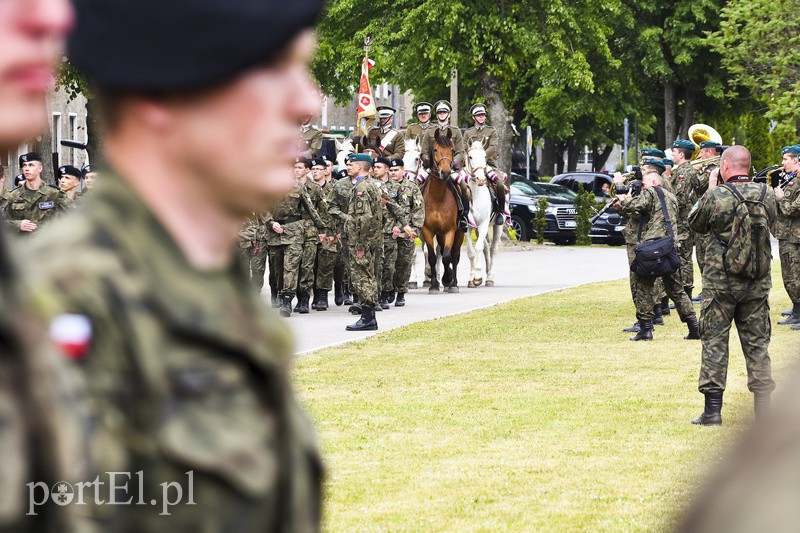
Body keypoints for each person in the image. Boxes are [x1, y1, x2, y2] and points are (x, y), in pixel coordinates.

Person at [26, 0, 326, 529]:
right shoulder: (54, 310)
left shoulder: (209, 291)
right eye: (272, 67)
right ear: (160, 96)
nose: (307, 102)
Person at [0, 0, 84, 530]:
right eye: (27, 166)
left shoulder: (55, 197)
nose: (30, 171)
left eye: (34, 165)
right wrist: (17, 227)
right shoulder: (11, 202)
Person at [687, 145, 776, 425]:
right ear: (748, 167)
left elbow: (695, 223)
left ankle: (712, 412)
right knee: (758, 345)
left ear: (725, 167)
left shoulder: (716, 195)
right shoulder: (768, 194)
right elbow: (772, 222)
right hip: (757, 283)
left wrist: (710, 188)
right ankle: (763, 415)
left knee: (714, 343)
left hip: (720, 283)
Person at [614, 169, 700, 341]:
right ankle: (694, 326)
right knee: (676, 290)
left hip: (652, 249)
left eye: (644, 183)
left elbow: (634, 207)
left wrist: (624, 199)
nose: (642, 187)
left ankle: (645, 329)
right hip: (669, 247)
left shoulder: (651, 192)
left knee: (643, 287)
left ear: (654, 182)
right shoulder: (671, 197)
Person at [344, 153, 382, 331]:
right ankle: (369, 316)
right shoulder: (370, 185)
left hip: (361, 242)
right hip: (369, 241)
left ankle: (367, 317)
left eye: (351, 164)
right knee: (367, 276)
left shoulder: (362, 188)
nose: (348, 167)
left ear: (360, 167)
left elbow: (364, 218)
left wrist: (359, 243)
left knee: (362, 278)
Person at [420, 100, 469, 231]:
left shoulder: (456, 131)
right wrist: (427, 160)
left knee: (463, 186)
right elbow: (424, 152)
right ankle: (416, 216)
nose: (442, 114)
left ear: (448, 114)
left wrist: (453, 163)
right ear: (436, 115)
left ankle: (464, 216)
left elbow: (460, 152)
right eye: (440, 112)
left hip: (450, 168)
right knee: (416, 184)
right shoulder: (430, 132)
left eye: (444, 112)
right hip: (432, 169)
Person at [669, 139, 705, 301]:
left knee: (683, 257)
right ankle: (684, 292)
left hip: (682, 221)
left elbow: (680, 198)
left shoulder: (684, 172)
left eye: (675, 152)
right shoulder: (682, 170)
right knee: (683, 256)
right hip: (683, 221)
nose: (672, 154)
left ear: (682, 154)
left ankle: (685, 293)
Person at [4, 152, 69, 234]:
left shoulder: (54, 194)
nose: (26, 168)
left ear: (40, 168)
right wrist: (17, 224)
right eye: (24, 165)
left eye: (31, 165)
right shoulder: (13, 196)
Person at [389, 158, 425, 306]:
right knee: (387, 264)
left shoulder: (412, 187)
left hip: (406, 233)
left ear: (403, 170)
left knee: (403, 264)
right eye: (390, 170)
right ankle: (388, 290)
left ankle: (401, 293)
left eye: (396, 170)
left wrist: (415, 229)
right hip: (388, 232)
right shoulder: (383, 187)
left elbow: (418, 209)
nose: (393, 173)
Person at [463, 103, 505, 225]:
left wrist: (481, 156)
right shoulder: (468, 133)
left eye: (483, 115)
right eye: (478, 115)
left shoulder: (491, 131)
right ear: (473, 117)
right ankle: (463, 213)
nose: (481, 117)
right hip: (471, 166)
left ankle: (500, 212)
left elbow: (493, 147)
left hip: (488, 164)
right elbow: (464, 148)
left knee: (500, 183)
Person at [773, 145, 800, 326]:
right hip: (786, 235)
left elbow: (792, 210)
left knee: (795, 275)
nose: (782, 163)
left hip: (795, 238)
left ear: (796, 160)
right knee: (788, 275)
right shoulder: (792, 180)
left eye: (785, 159)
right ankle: (796, 308)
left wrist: (780, 198)